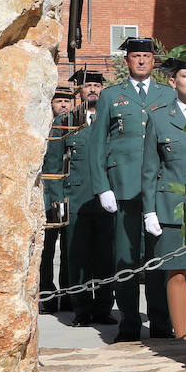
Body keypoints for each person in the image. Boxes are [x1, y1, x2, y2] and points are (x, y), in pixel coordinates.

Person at [89, 36, 176, 342]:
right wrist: (102, 187)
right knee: (125, 259)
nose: (141, 61)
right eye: (136, 56)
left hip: (160, 189)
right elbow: (96, 144)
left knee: (158, 258)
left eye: (146, 56)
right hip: (123, 188)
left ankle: (162, 323)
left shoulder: (167, 94)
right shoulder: (112, 96)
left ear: (154, 62)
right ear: (127, 61)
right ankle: (128, 322)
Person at [141, 57, 186, 354]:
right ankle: (180, 342)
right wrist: (149, 210)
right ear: (173, 82)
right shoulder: (158, 117)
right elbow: (148, 168)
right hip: (169, 204)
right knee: (177, 273)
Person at [58, 70, 115, 326]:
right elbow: (53, 164)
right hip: (77, 199)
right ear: (79, 91)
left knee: (106, 256)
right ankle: (81, 310)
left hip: (107, 200)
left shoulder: (113, 120)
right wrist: (56, 200)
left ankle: (103, 308)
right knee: (77, 257)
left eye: (97, 85)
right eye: (87, 85)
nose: (92, 89)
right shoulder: (67, 121)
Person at [39, 86, 74, 313]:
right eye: (59, 101)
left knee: (70, 250)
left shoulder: (75, 128)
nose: (63, 105)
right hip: (49, 197)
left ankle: (68, 295)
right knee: (47, 250)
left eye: (67, 102)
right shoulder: (46, 128)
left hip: (69, 196)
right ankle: (48, 296)